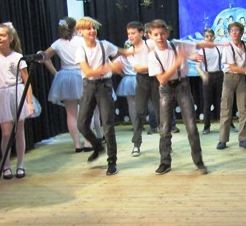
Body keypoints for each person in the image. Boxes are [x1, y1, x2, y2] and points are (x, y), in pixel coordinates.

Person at [147, 19, 214, 175]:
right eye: (156, 34)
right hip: (166, 88)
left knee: (191, 125)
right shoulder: (152, 55)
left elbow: (198, 45)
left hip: (182, 85)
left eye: (162, 33)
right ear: (150, 36)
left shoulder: (177, 45)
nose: (160, 37)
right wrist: (177, 63)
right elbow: (162, 79)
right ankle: (165, 162)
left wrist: (220, 44)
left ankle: (198, 161)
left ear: (167, 33)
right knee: (164, 128)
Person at [0, 22, 39, 179]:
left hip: (17, 93)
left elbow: (27, 80)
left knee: (19, 131)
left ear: (10, 38)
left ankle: (20, 165)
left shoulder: (18, 57)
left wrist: (29, 102)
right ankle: (5, 166)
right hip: (2, 95)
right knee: (6, 133)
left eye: (2, 35)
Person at [43, 17, 103, 153]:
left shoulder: (57, 43)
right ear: (76, 28)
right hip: (82, 75)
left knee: (71, 114)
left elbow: (44, 57)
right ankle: (88, 142)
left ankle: (77, 144)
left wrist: (55, 73)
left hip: (65, 77)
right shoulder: (82, 41)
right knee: (88, 111)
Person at [75, 17, 125, 175]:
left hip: (104, 86)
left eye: (94, 28)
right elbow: (88, 72)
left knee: (108, 124)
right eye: (88, 28)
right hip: (89, 86)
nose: (92, 31)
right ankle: (97, 146)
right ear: (80, 32)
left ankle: (112, 161)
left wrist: (119, 62)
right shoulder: (80, 50)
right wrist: (108, 67)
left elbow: (120, 53)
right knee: (82, 124)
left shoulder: (105, 45)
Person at [216, 21, 246, 150]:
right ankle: (222, 140)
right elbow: (233, 67)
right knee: (226, 108)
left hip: (241, 79)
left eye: (236, 30)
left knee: (244, 108)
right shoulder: (228, 47)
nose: (234, 33)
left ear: (241, 32)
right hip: (229, 78)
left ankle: (243, 139)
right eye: (232, 31)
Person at [125, 21, 160, 157]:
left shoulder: (150, 44)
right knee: (139, 112)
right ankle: (136, 144)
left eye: (133, 33)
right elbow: (138, 68)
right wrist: (153, 65)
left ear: (141, 33)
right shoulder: (130, 51)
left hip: (155, 78)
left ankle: (165, 143)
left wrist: (156, 64)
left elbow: (161, 56)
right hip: (142, 80)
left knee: (160, 112)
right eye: (128, 34)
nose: (130, 36)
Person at [198, 28, 224, 135]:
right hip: (208, 76)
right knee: (207, 102)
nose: (209, 38)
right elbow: (198, 67)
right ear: (204, 38)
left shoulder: (219, 48)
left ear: (214, 37)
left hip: (219, 75)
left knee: (222, 101)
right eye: (207, 36)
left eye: (211, 36)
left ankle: (227, 124)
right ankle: (206, 126)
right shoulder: (202, 50)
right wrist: (203, 75)